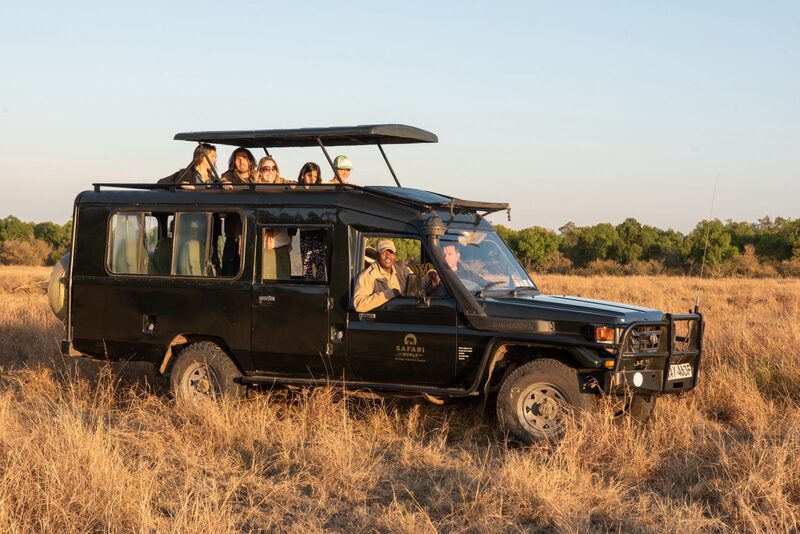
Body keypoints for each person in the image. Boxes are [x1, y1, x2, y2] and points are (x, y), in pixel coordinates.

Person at [353, 239, 439, 313]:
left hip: (406, 313)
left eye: (391, 253)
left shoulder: (401, 268)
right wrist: (390, 293)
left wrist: (431, 274)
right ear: (377, 255)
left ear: (394, 255)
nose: (388, 256)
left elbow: (416, 286)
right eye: (384, 253)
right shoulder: (369, 275)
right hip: (384, 319)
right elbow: (359, 304)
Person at [158, 144, 227, 186]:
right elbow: (161, 182)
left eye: (216, 157)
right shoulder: (184, 173)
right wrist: (180, 185)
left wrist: (225, 183)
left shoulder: (214, 179)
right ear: (202, 156)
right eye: (212, 156)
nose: (215, 160)